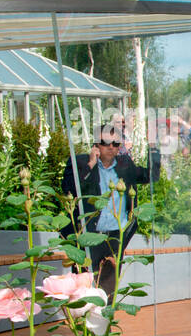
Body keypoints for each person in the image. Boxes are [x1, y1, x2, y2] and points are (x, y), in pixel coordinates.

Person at [60, 123, 161, 300]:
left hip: (114, 237)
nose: (111, 147)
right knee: (82, 292)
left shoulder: (125, 165)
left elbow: (151, 176)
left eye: (116, 144)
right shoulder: (80, 162)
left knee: (108, 293)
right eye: (106, 142)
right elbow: (69, 190)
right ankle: (82, 326)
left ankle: (103, 325)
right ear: (96, 144)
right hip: (88, 236)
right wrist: (91, 164)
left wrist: (153, 147)